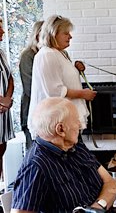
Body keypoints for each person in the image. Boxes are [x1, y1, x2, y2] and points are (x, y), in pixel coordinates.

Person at [11, 97, 116, 212]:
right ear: (61, 129)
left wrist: (97, 207)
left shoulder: (76, 148)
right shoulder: (36, 167)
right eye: (76, 120)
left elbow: (110, 182)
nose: (80, 125)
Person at [28, 15, 97, 139]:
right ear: (53, 34)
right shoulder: (47, 55)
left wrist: (76, 69)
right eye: (66, 33)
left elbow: (63, 79)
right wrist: (82, 94)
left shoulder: (60, 53)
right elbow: (54, 92)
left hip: (65, 121)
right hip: (56, 124)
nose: (70, 36)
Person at [19, 20, 44, 149]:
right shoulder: (28, 55)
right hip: (32, 112)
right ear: (37, 35)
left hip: (49, 113)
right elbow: (30, 88)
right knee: (35, 152)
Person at [0, 18, 15, 180]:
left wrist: (7, 98)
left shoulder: (1, 53)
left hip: (3, 112)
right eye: (0, 28)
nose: (3, 31)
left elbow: (10, 77)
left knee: (1, 150)